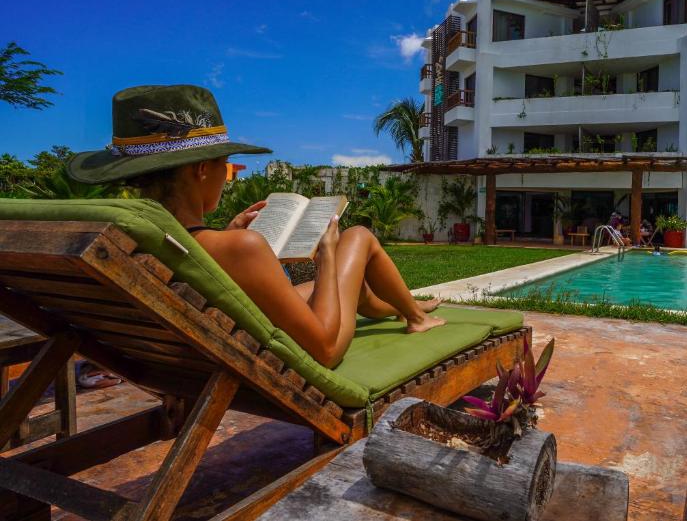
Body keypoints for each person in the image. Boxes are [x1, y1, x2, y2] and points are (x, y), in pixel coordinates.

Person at [67, 85, 444, 368]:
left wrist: (227, 233)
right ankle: (415, 318)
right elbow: (325, 350)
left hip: (197, 348)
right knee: (357, 237)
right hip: (299, 341)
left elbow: (202, 267)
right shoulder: (240, 249)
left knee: (356, 285)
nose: (226, 175)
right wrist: (326, 254)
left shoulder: (141, 236)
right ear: (201, 169)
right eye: (224, 165)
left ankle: (405, 307)